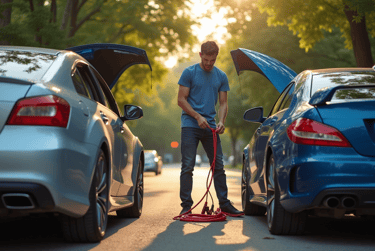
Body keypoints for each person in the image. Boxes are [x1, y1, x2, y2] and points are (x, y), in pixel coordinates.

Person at [177, 41, 243, 215]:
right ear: (200, 55)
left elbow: (223, 103)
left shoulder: (220, 76)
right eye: (206, 59)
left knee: (218, 166)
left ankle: (225, 204)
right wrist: (197, 116)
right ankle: (186, 207)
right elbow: (181, 100)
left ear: (216, 58)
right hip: (190, 125)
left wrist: (221, 121)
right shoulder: (189, 73)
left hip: (211, 127)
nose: (208, 63)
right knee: (188, 166)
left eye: (212, 60)